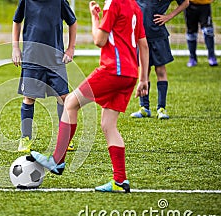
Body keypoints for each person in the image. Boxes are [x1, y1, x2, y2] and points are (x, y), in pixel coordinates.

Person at [31, 0, 149, 193]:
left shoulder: (113, 3)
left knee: (70, 103)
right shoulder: (135, 6)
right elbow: (143, 45)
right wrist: (143, 78)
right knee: (108, 125)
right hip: (130, 74)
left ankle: (57, 160)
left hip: (113, 70)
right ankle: (120, 181)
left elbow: (99, 40)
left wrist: (95, 19)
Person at [12, 0, 78, 152]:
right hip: (31, 57)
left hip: (55, 59)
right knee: (29, 98)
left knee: (63, 98)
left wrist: (70, 49)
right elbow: (16, 21)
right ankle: (25, 138)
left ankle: (66, 137)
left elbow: (72, 22)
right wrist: (15, 47)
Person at [130, 0, 189, 119]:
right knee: (144, 71)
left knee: (161, 71)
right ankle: (144, 108)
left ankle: (161, 108)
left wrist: (168, 16)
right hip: (141, 37)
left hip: (158, 36)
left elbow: (186, 2)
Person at [184, 0, 218, 67]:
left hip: (205, 5)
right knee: (191, 32)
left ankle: (212, 57)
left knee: (208, 31)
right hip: (190, 5)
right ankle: (192, 58)